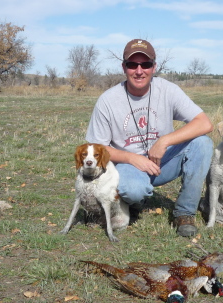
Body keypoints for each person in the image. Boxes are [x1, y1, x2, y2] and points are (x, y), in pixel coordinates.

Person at [85, 39, 214, 237]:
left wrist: (164, 141)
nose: (139, 70)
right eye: (132, 64)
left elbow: (204, 123)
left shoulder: (168, 90)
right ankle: (135, 200)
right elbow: (96, 147)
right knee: (134, 189)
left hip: (162, 161)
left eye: (145, 64)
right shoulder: (108, 100)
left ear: (154, 67)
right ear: (124, 67)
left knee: (203, 144)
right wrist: (131, 158)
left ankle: (184, 213)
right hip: (129, 167)